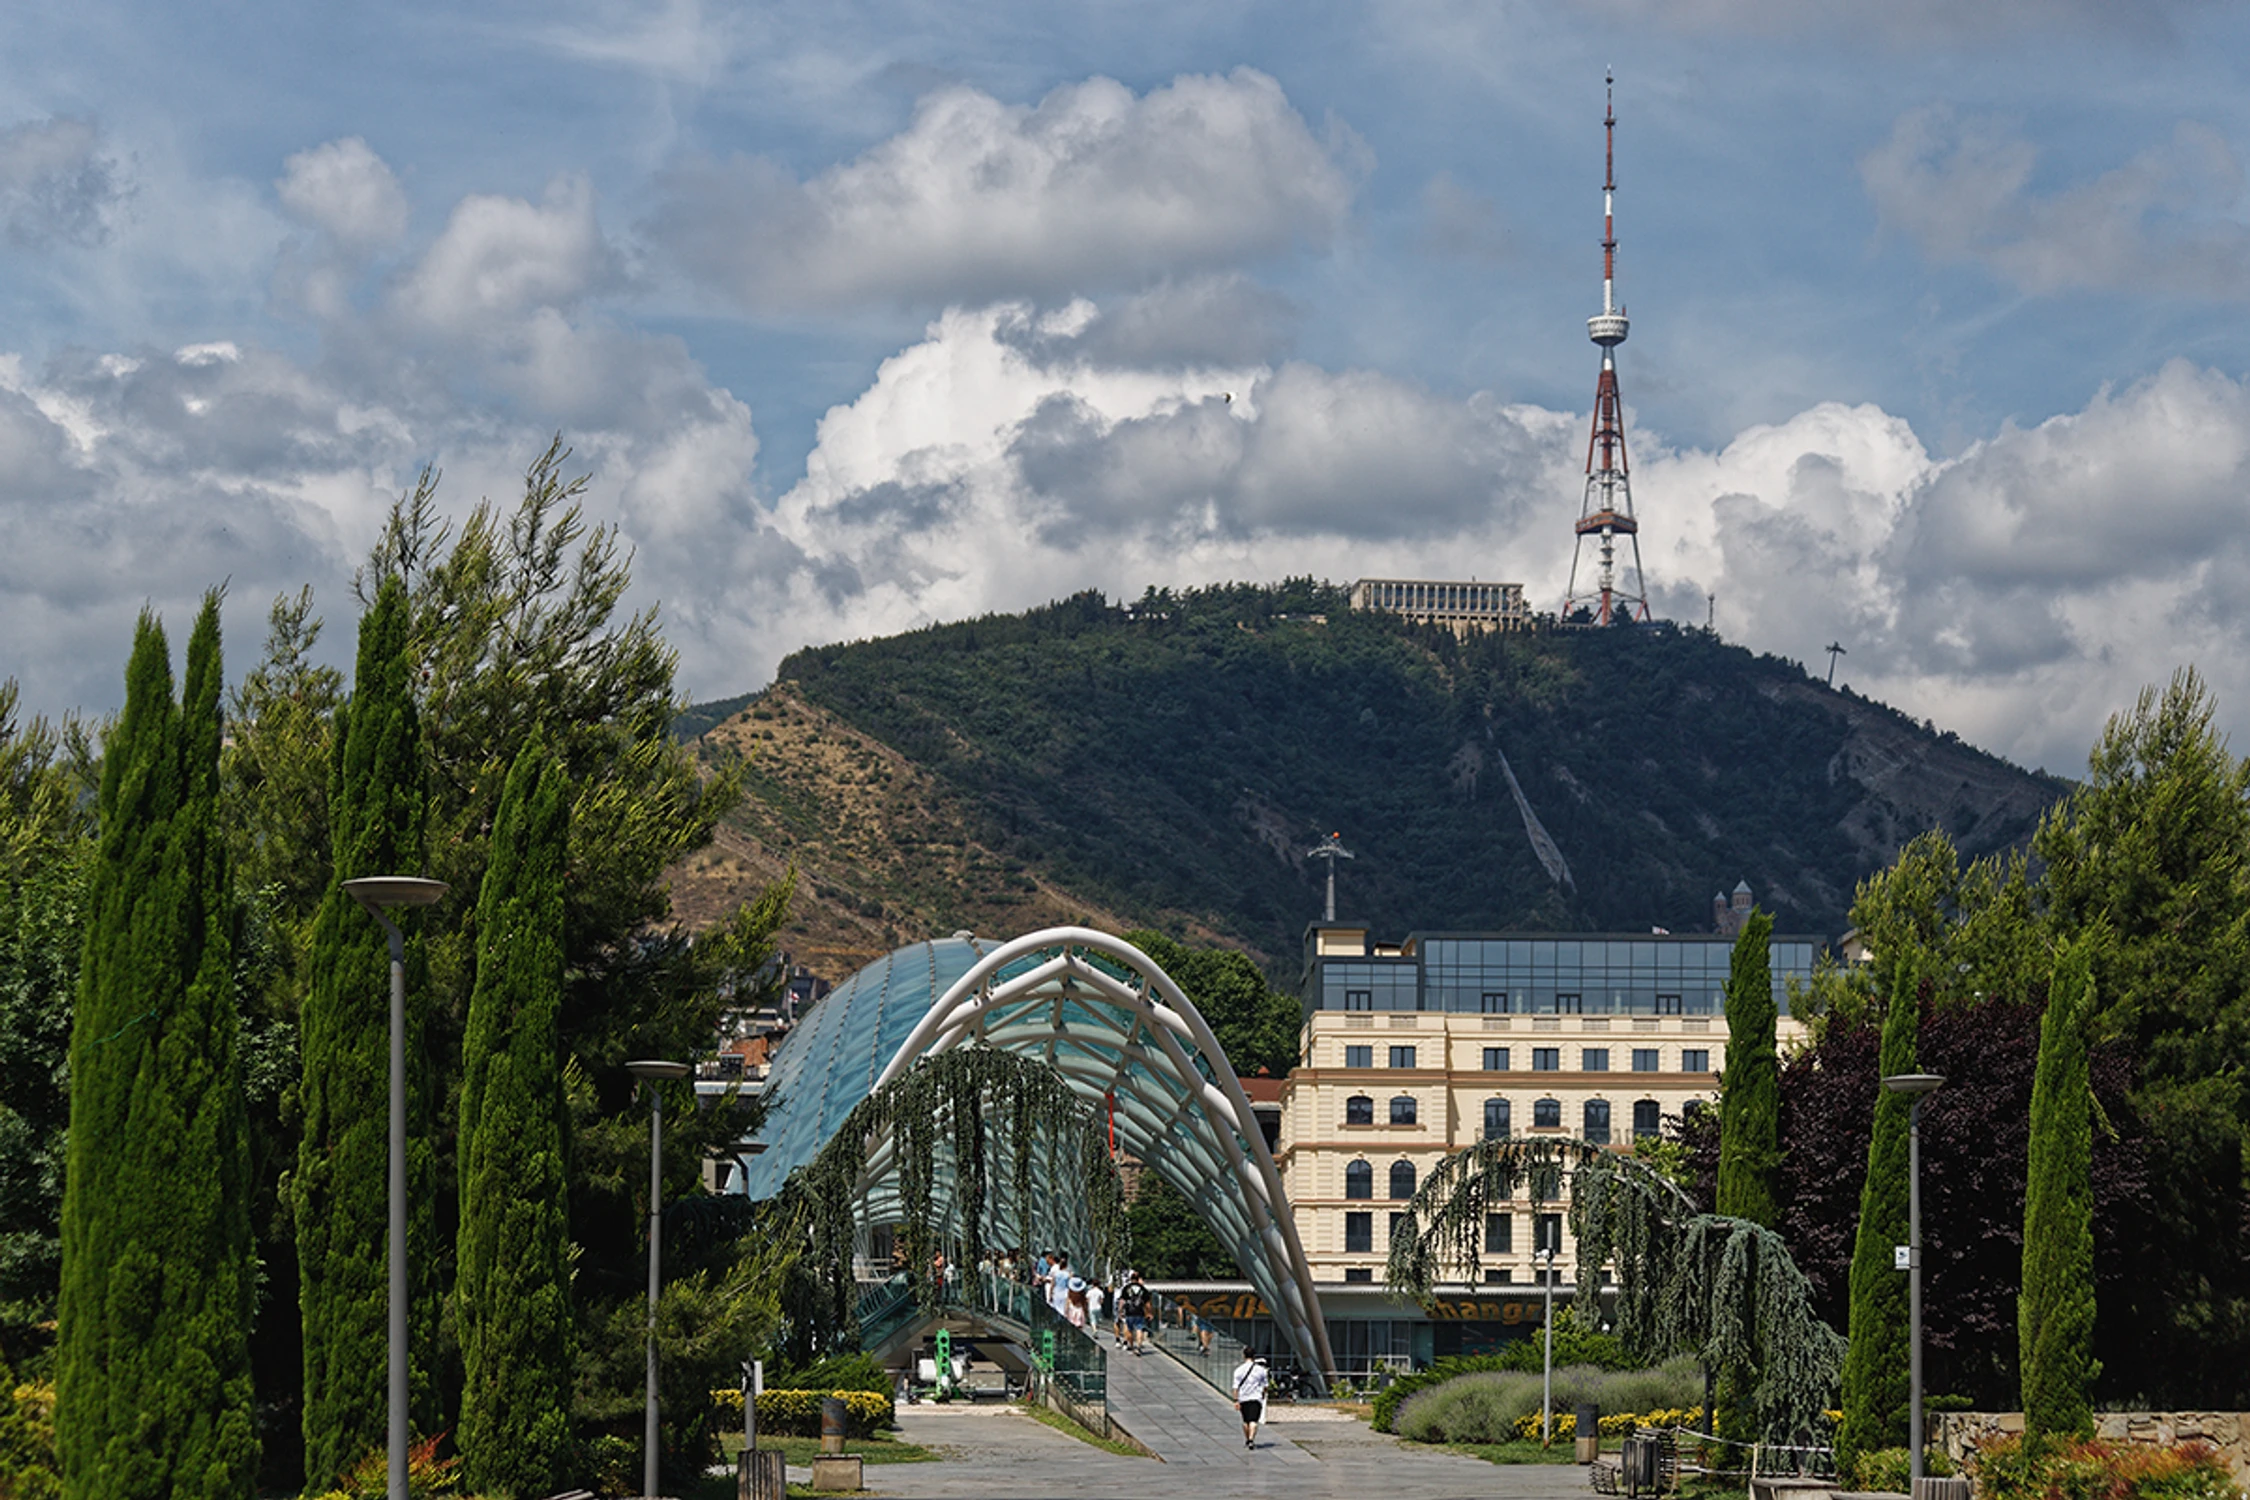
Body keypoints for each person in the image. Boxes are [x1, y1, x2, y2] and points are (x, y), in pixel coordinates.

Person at [1231, 1352, 1269, 1449]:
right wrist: (1263, 1394)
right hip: (1256, 1397)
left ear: (1244, 1356)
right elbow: (1265, 1385)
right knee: (1253, 1420)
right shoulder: (1261, 1370)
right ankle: (1251, 1439)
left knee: (1246, 1420)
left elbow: (1235, 1387)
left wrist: (1235, 1400)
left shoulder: (1239, 1370)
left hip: (1243, 1397)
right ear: (1254, 1356)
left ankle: (1248, 1439)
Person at [1117, 1269, 1151, 1354]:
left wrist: (1120, 1311)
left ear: (1131, 1279)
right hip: (1140, 1312)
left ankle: (1132, 1346)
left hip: (1129, 1312)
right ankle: (1138, 1347)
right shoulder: (1143, 1289)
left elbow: (1122, 1301)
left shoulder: (1126, 1288)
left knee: (1129, 1330)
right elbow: (1147, 1303)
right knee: (1139, 1329)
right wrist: (1149, 1312)